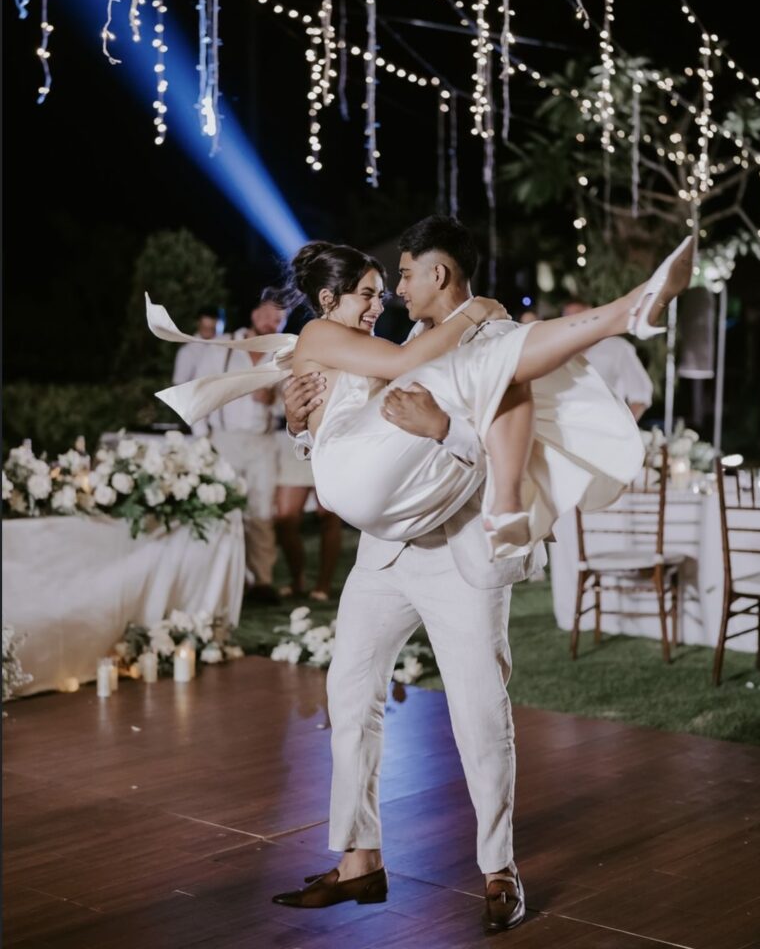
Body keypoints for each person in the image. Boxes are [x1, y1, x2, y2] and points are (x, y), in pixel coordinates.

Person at [147, 222, 693, 933]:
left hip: (459, 557)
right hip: (382, 552)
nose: (393, 293)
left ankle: (498, 870)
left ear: (438, 276)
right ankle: (358, 862)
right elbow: (354, 430)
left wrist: (447, 431)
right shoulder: (400, 352)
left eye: (400, 279)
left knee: (479, 715)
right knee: (349, 696)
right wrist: (300, 424)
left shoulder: (484, 349)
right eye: (379, 287)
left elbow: (481, 435)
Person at [191, 297, 286, 602]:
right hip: (225, 439)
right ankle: (224, 578)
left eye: (279, 320)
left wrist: (273, 401)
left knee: (261, 512)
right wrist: (203, 437)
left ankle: (262, 581)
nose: (273, 323)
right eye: (270, 315)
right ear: (255, 313)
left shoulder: (282, 353)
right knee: (223, 507)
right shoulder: (224, 346)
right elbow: (199, 391)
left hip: (262, 442)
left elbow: (291, 402)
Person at [259, 286, 343, 603]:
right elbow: (273, 399)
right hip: (291, 438)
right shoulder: (291, 351)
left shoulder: (343, 349)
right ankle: (297, 580)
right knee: (285, 518)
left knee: (328, 514)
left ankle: (323, 584)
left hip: (326, 437)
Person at [562, 298, 654, 421]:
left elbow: (641, 392)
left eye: (578, 317)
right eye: (568, 318)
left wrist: (623, 430)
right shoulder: (558, 353)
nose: (572, 323)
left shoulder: (617, 347)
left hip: (605, 428)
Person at [171, 306, 219, 386]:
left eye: (210, 328)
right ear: (198, 323)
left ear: (216, 323)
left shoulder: (224, 346)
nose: (207, 331)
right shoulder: (187, 351)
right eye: (204, 328)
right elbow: (179, 383)